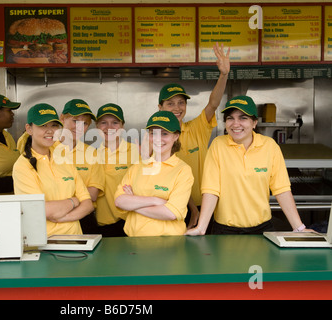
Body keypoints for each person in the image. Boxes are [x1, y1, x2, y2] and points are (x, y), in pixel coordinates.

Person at [185, 96, 311, 235]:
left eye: (243, 118)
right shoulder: (218, 145)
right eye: (230, 118)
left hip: (262, 229)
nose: (235, 124)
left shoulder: (269, 146)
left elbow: (282, 189)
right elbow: (211, 189)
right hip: (225, 230)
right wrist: (201, 227)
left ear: (254, 123)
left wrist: (299, 228)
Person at [158, 43, 230, 227]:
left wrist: (223, 75)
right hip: (171, 205)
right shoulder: (156, 138)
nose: (177, 108)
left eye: (181, 103)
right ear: (160, 108)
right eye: (170, 103)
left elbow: (213, 104)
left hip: (205, 203)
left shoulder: (197, 128)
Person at [12, 103, 93, 236]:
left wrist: (63, 217)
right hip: (44, 244)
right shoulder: (22, 166)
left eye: (54, 125)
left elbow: (88, 204)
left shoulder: (63, 159)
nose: (50, 131)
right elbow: (40, 210)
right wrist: (74, 201)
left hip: (76, 240)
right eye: (43, 125)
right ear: (29, 129)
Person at [114, 111, 194, 237]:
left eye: (165, 134)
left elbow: (171, 213)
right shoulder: (137, 167)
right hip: (134, 243)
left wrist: (133, 204)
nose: (158, 139)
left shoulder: (183, 170)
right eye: (153, 133)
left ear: (176, 136)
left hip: (168, 244)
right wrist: (156, 200)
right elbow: (119, 201)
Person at [54, 99, 105, 234]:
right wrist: (79, 197)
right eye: (75, 121)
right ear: (62, 118)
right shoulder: (48, 150)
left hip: (85, 219)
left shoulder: (92, 153)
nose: (79, 127)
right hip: (52, 219)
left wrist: (66, 202)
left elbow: (93, 194)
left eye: (85, 123)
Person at [94, 103, 140, 236]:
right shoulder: (91, 156)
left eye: (115, 122)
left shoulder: (137, 151)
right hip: (105, 226)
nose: (109, 127)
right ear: (97, 127)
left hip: (134, 222)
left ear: (122, 126)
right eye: (103, 122)